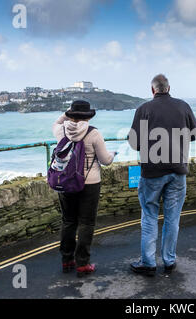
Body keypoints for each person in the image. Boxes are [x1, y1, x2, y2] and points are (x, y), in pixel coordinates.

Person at [128, 74, 196, 276]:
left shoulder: (143, 109)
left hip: (152, 172)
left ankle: (148, 263)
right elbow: (195, 134)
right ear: (168, 88)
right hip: (178, 171)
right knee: (172, 218)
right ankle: (169, 261)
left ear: (153, 90)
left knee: (150, 216)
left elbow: (134, 143)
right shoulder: (183, 106)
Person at [52, 100, 116, 277]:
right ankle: (82, 263)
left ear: (70, 114)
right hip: (90, 183)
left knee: (69, 221)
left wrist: (68, 114)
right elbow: (105, 160)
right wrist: (113, 155)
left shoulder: (61, 130)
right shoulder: (94, 133)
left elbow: (56, 122)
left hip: (66, 182)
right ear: (88, 116)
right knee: (86, 223)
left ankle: (67, 260)